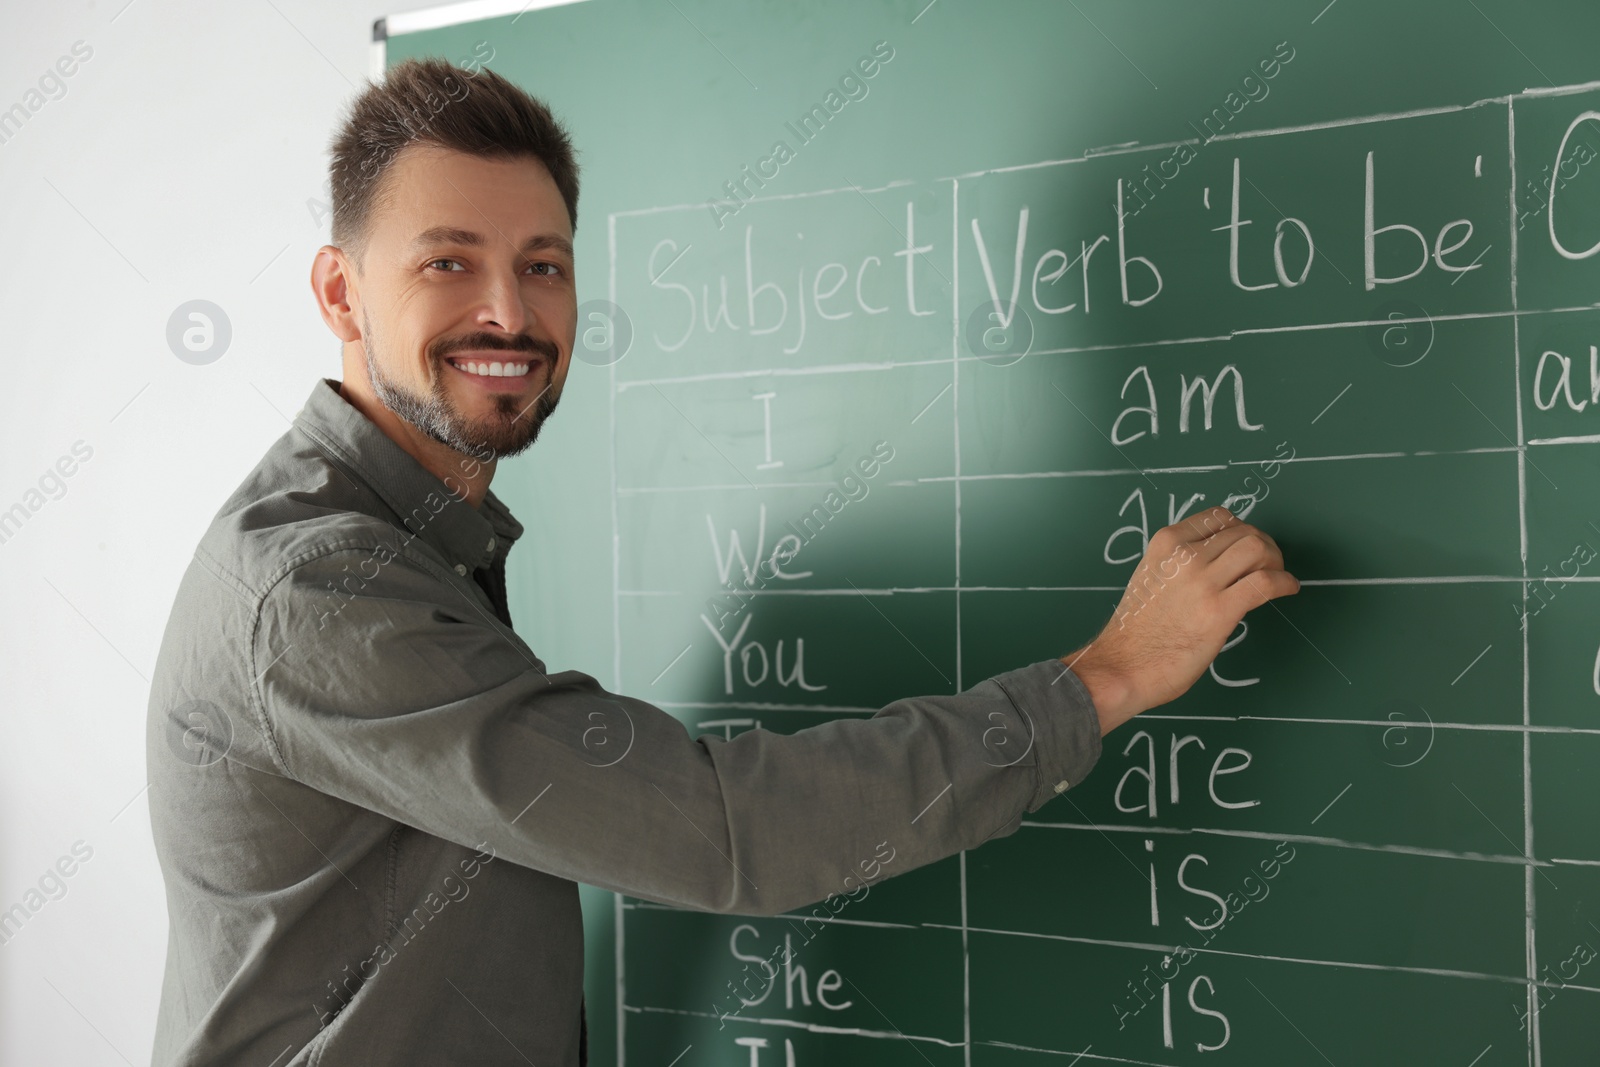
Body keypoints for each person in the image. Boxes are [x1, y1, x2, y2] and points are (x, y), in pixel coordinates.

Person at [145, 57, 1298, 1067]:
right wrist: (1107, 676)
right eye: (448, 262)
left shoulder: (409, 539)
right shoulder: (317, 594)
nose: (509, 311)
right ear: (340, 291)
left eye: (543, 264)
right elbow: (714, 828)